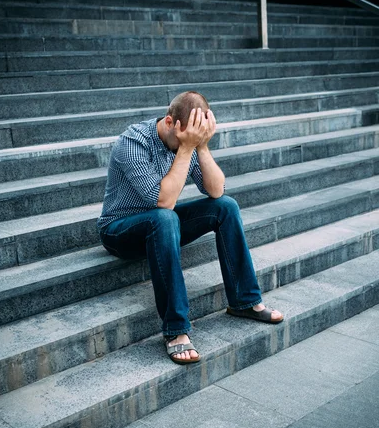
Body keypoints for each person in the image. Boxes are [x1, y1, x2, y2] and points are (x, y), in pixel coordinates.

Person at [97, 91, 283, 365]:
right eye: (186, 139)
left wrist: (202, 147)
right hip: (119, 230)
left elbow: (216, 190)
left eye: (196, 138)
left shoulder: (190, 139)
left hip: (161, 226)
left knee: (226, 207)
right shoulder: (133, 142)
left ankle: (244, 301)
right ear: (170, 122)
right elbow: (164, 201)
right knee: (165, 217)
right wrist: (186, 149)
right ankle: (176, 330)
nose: (188, 144)